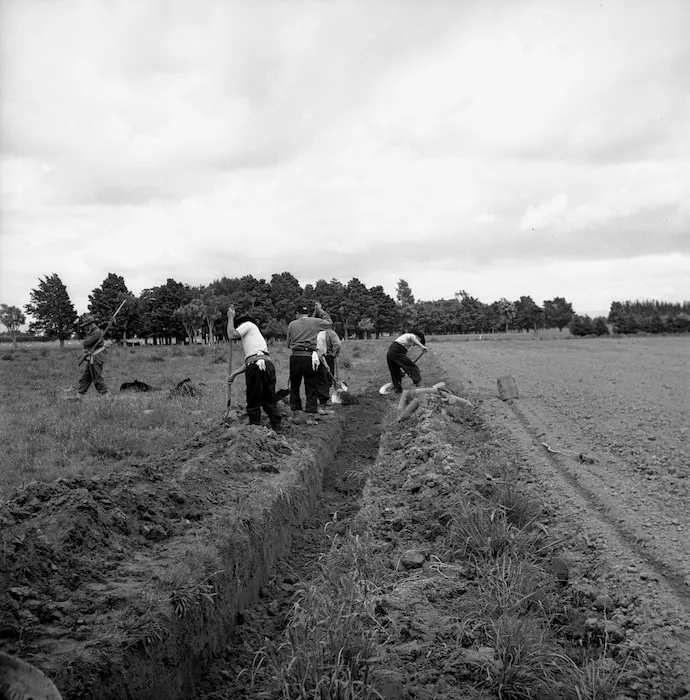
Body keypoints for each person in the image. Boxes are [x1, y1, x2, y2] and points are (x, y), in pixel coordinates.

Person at [227, 306, 282, 433]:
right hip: (267, 365)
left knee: (253, 400)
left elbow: (231, 334)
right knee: (269, 399)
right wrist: (234, 374)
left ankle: (255, 430)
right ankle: (277, 427)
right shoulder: (255, 339)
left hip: (257, 365)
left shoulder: (248, 325)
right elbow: (251, 362)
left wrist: (230, 317)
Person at [285, 301, 333, 422]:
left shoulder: (292, 324)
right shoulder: (315, 322)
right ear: (307, 313)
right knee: (311, 384)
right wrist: (320, 310)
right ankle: (311, 415)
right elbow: (329, 322)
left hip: (296, 356)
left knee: (295, 384)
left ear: (297, 314)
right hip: (309, 357)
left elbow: (288, 344)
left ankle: (296, 412)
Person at [69, 314, 108, 400]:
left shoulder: (97, 333)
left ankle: (106, 398)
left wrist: (85, 343)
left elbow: (86, 343)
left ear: (90, 324)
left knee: (97, 378)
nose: (85, 328)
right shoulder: (93, 332)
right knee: (85, 378)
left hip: (96, 358)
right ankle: (79, 397)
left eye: (86, 326)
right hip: (92, 358)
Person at [386, 329, 427, 393]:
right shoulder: (410, 335)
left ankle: (398, 390)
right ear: (417, 337)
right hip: (396, 351)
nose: (416, 343)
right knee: (412, 367)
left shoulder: (406, 340)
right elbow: (412, 338)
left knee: (396, 372)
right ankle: (419, 386)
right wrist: (422, 346)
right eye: (419, 340)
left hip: (391, 352)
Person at [315, 327, 342, 410]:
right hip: (327, 356)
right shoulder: (331, 333)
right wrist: (334, 354)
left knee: (319, 378)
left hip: (316, 356)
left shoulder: (315, 332)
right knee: (327, 378)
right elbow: (337, 345)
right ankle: (326, 398)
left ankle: (320, 398)